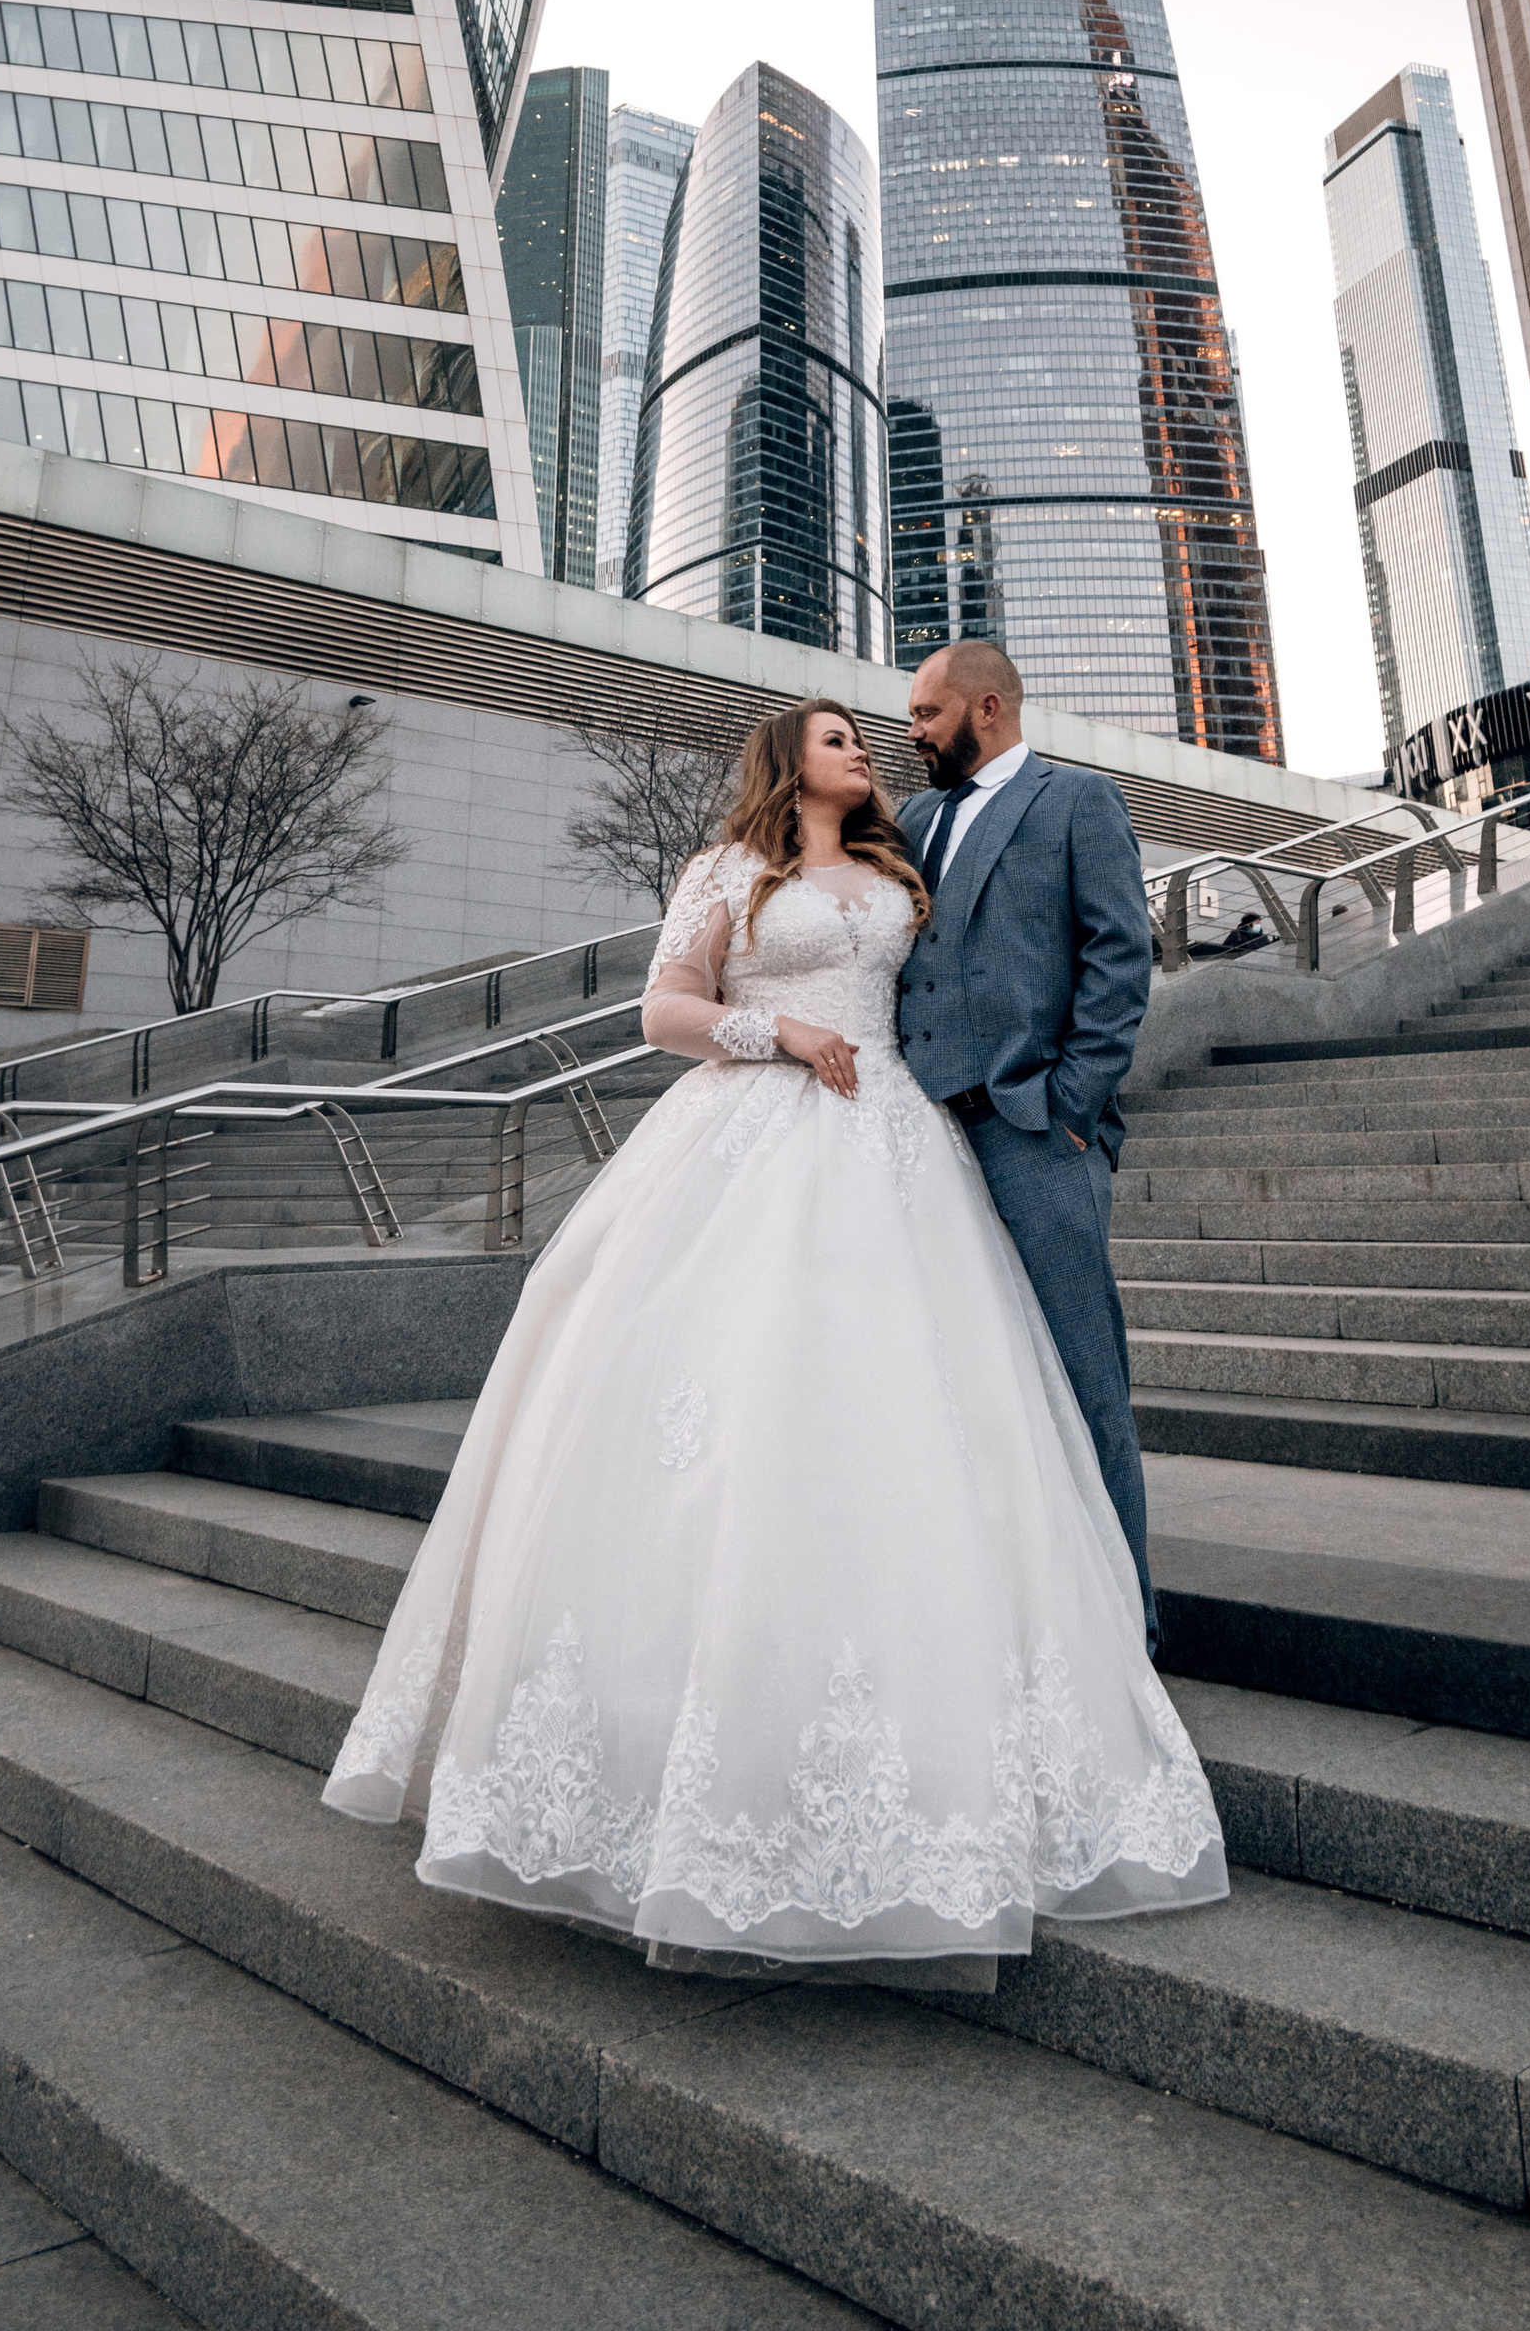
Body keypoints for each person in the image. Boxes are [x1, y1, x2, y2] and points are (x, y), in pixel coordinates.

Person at [323, 698, 1224, 1982]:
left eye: (879, 734)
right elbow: (663, 1011)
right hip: (756, 1132)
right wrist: (782, 1033)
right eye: (840, 737)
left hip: (905, 1144)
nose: (868, 748)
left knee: (923, 1420)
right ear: (784, 762)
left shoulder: (895, 865)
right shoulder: (726, 872)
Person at [895, 641, 1160, 1644]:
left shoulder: (1074, 802)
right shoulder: (914, 818)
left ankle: (1126, 1627)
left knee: (1085, 1378)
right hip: (920, 1135)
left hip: (1033, 1132)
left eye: (926, 712)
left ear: (988, 708)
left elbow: (1120, 956)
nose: (911, 730)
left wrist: (1072, 1104)